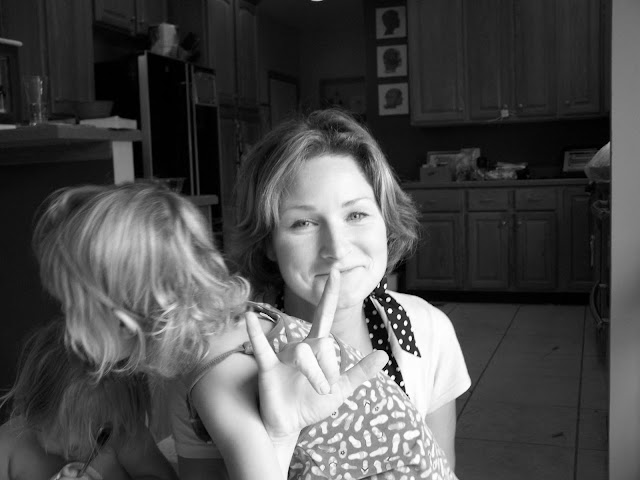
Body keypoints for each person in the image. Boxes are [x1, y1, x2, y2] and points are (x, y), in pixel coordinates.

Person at [32, 182, 443, 480]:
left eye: (70, 308)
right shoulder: (229, 331)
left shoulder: (218, 375)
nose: (67, 330)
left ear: (123, 319)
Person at [230, 108, 471, 470]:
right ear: (267, 242)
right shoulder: (227, 358)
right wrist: (278, 439)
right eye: (303, 223)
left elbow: (438, 470)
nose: (337, 249)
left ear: (386, 220)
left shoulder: (428, 329)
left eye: (356, 215)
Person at [0, 320, 178, 480]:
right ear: (33, 412)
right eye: (58, 434)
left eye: (97, 437)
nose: (70, 450)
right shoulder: (8, 446)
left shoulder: (124, 433)